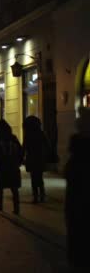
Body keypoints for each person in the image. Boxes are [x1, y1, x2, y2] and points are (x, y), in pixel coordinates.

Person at [65, 109, 90, 271]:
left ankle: (79, 259)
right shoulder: (77, 143)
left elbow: (71, 171)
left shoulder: (78, 146)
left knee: (78, 227)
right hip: (77, 194)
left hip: (80, 195)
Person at [0, 120, 23, 215]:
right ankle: (16, 208)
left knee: (0, 187)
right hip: (13, 166)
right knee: (14, 188)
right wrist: (18, 162)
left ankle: (0, 205)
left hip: (1, 167)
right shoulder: (13, 138)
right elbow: (20, 151)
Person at [23, 116, 50, 203]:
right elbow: (47, 145)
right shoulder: (41, 133)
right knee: (40, 178)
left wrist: (21, 157)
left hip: (32, 158)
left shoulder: (28, 135)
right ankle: (42, 195)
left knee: (34, 178)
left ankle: (35, 197)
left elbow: (24, 147)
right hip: (40, 158)